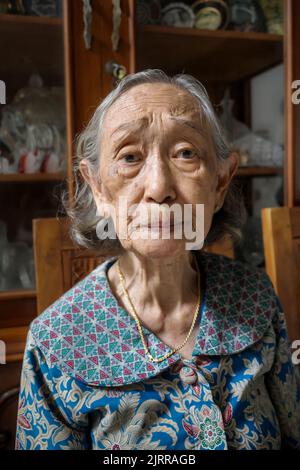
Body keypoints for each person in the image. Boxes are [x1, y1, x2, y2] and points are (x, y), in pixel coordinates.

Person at [15, 69, 300, 450]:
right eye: (129, 156)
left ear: (220, 181)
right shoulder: (53, 344)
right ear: (98, 187)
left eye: (186, 153)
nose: (159, 187)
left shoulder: (255, 297)